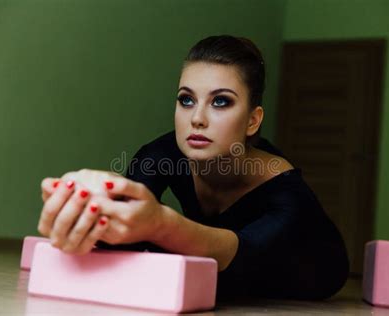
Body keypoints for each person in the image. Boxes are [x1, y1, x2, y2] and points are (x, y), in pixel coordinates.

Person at [38, 35, 349, 300]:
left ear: (253, 120)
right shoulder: (161, 154)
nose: (197, 118)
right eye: (186, 100)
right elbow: (127, 216)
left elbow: (237, 252)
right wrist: (89, 201)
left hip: (305, 276)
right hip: (223, 271)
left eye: (220, 102)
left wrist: (159, 223)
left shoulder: (288, 196)